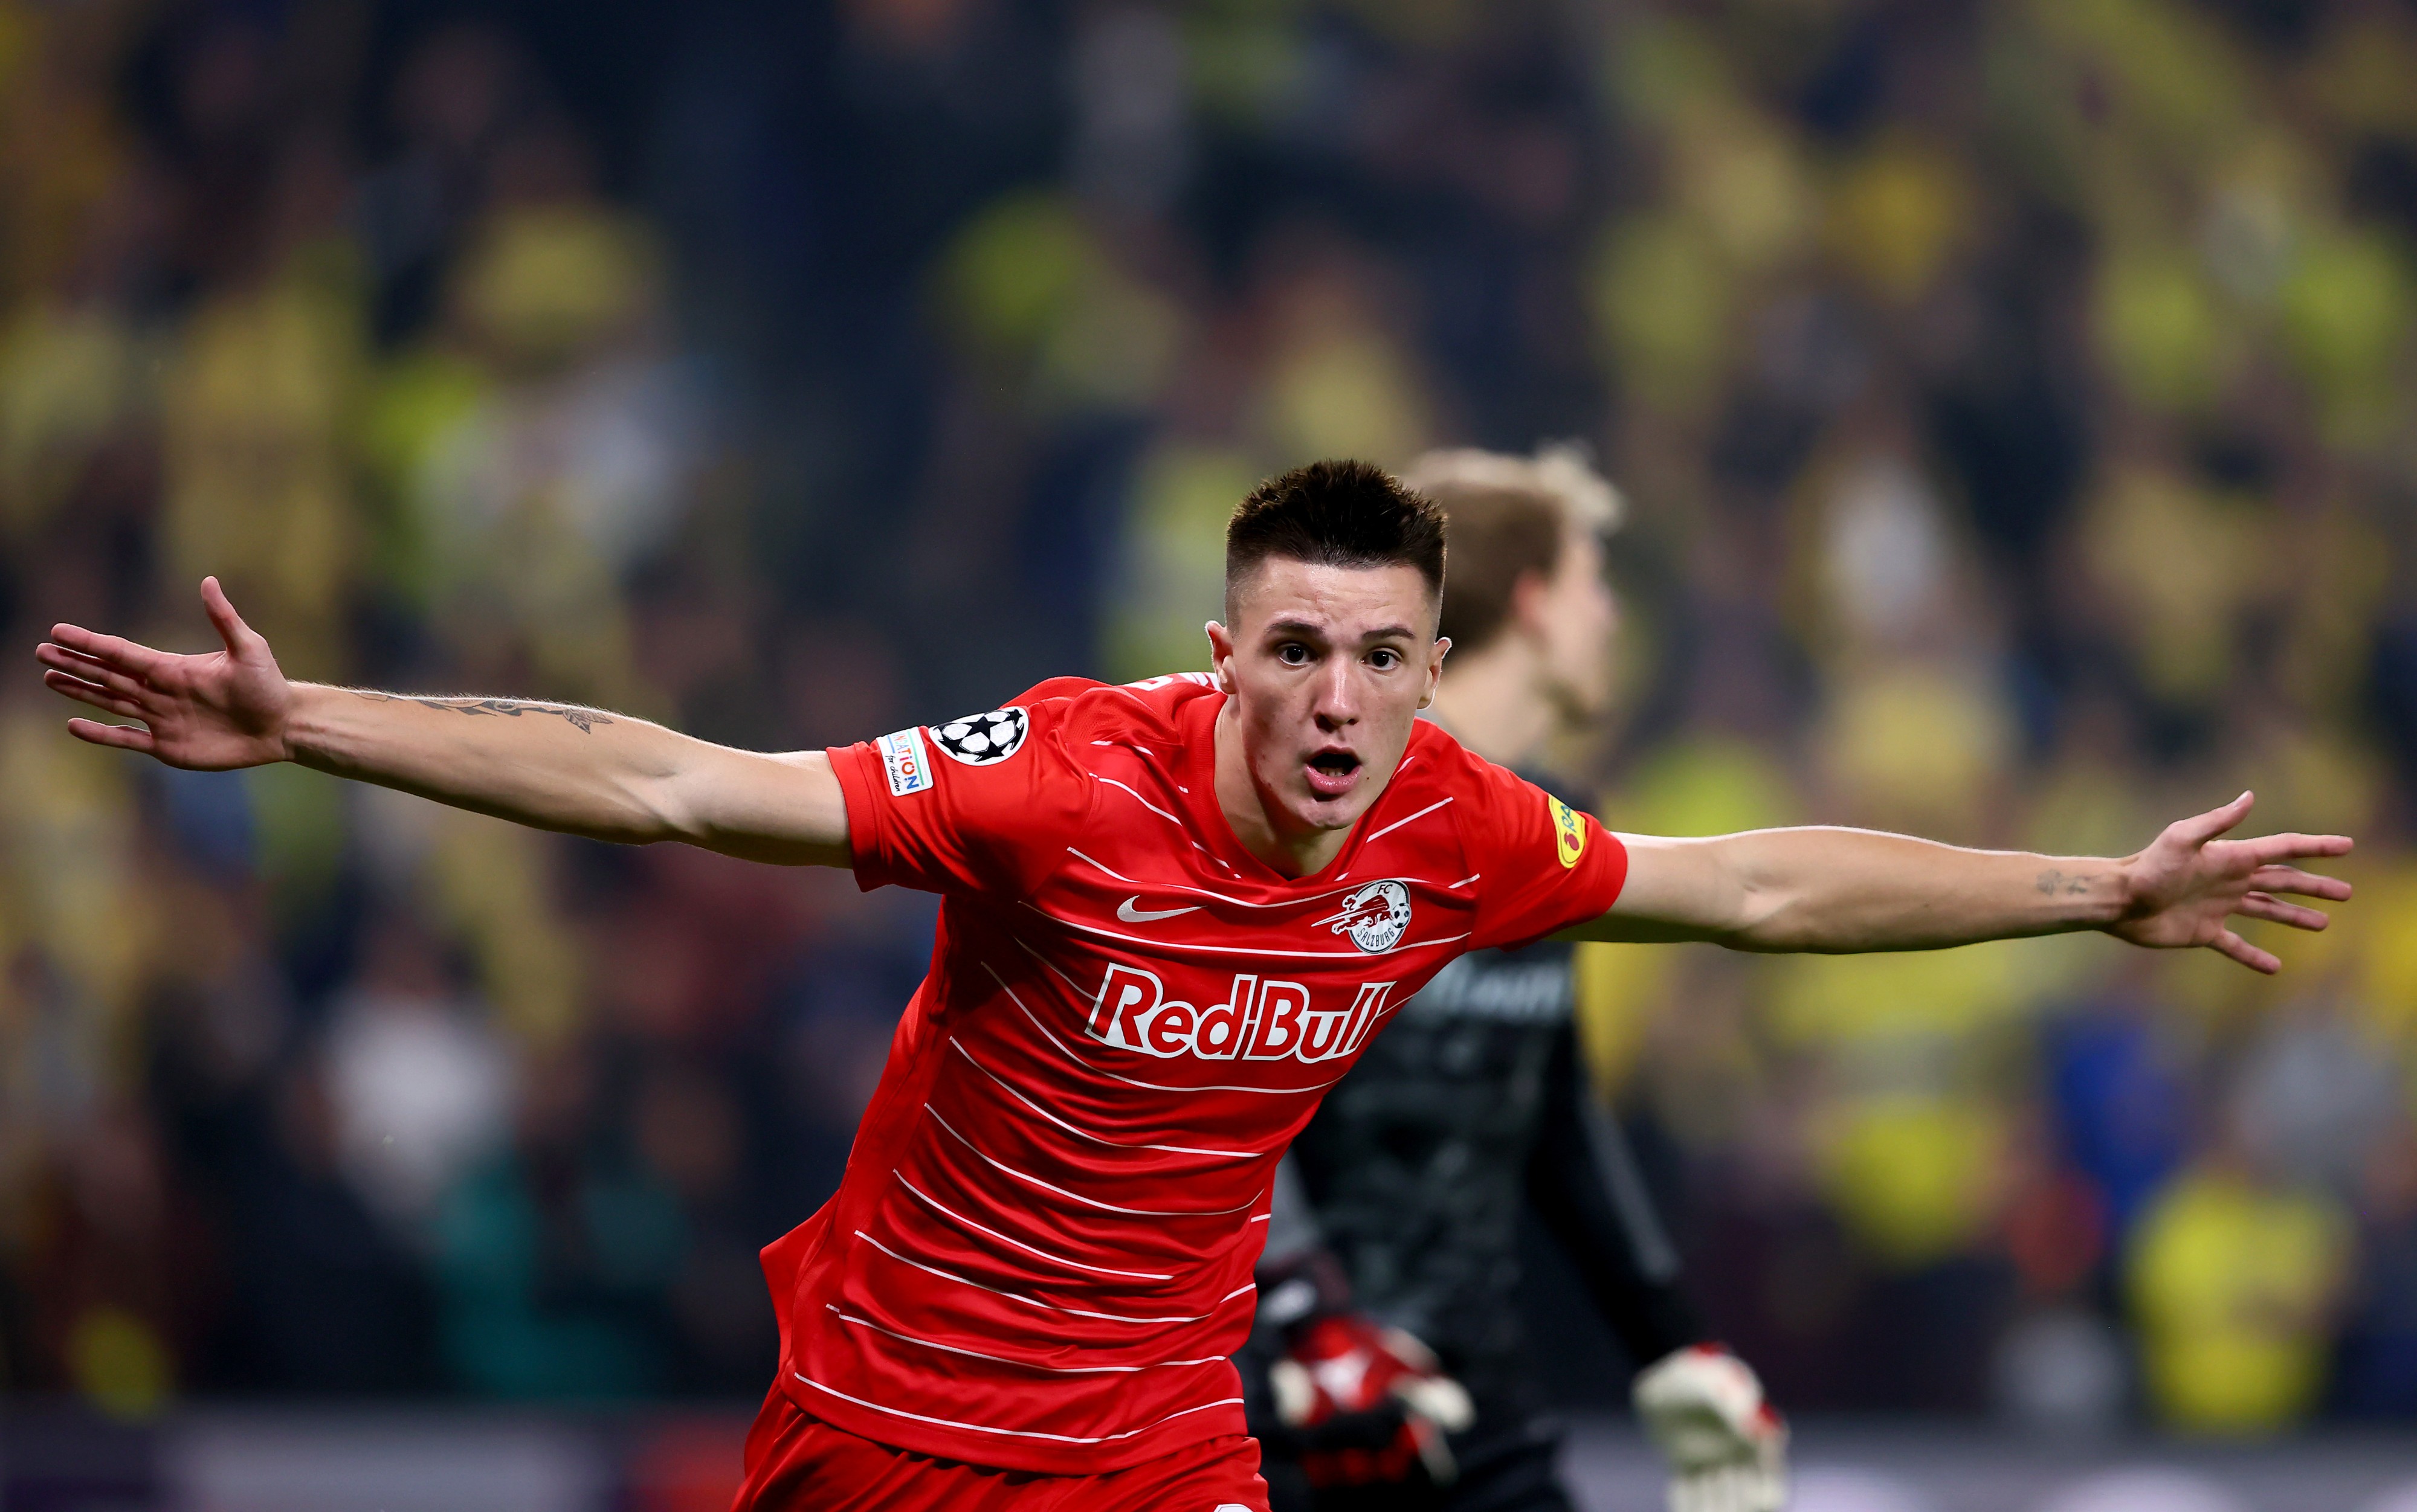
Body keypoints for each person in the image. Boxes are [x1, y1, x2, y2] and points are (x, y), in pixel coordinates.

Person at [36, 459, 2349, 1512]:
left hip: (1164, 1441)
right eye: (1293, 649)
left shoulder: (1454, 825)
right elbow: (670, 785)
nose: (1336, 697)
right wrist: (308, 721)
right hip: (892, 1429)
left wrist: (2091, 888)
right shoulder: (1056, 775)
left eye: (1380, 654)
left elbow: (1748, 888)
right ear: (1218, 651)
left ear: (1431, 669)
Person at [1242, 445, 1782, 1512]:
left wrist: (1672, 1342)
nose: (1612, 620)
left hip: (1479, 1409)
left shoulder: (1552, 827)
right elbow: (1229, 1085)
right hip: (1302, 1412)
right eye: (1595, 582)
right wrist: (1306, 1322)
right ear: (1534, 603)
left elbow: (1556, 1108)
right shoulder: (1326, 794)